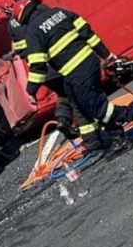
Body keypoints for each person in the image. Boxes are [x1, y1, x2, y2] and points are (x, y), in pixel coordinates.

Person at [11, 0, 133, 144]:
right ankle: (117, 136)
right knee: (87, 105)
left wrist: (31, 91)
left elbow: (38, 67)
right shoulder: (60, 12)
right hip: (90, 64)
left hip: (75, 72)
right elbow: (88, 34)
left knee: (98, 109)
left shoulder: (33, 31)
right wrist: (107, 55)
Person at [7, 11, 101, 148]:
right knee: (76, 100)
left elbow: (21, 49)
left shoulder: (11, 24)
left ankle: (63, 120)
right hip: (53, 64)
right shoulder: (36, 16)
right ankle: (91, 139)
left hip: (39, 69)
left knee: (64, 94)